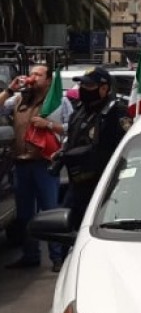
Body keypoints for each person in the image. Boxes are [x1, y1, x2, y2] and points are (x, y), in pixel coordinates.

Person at [1, 65, 71, 271]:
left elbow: (72, 126)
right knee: (25, 215)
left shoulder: (59, 101)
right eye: (31, 74)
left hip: (44, 164)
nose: (33, 78)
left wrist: (49, 125)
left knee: (50, 212)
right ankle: (30, 255)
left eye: (38, 75)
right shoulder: (19, 100)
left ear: (48, 80)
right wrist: (10, 90)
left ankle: (57, 258)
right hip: (21, 164)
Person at [57, 67, 130, 231]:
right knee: (66, 231)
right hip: (77, 185)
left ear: (104, 88)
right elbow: (72, 140)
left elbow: (126, 153)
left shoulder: (116, 114)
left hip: (103, 189)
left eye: (89, 87)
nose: (83, 90)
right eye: (82, 85)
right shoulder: (79, 112)